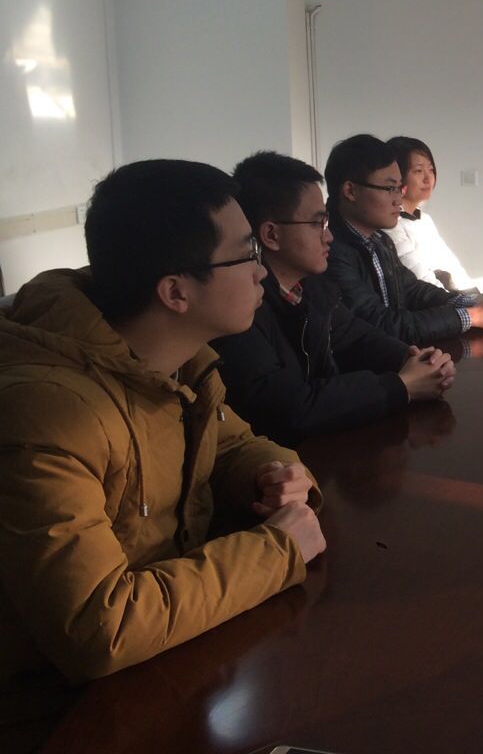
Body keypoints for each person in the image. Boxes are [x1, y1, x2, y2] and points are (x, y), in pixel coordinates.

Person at [0, 160, 326, 727]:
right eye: (246, 254)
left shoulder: (176, 361)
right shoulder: (52, 415)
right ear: (175, 291)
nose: (261, 273)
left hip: (166, 668)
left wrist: (275, 474)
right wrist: (278, 549)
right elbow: (99, 628)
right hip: (62, 714)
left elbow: (234, 444)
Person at [211, 152, 456, 446]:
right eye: (317, 224)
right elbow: (290, 408)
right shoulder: (240, 309)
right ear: (271, 235)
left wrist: (413, 358)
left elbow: (355, 337)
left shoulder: (313, 287)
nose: (328, 237)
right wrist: (401, 386)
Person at [324, 135, 483, 345]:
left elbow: (414, 290)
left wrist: (474, 305)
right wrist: (473, 316)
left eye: (399, 188)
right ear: (350, 191)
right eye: (390, 188)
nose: (398, 199)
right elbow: (382, 324)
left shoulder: (379, 240)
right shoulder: (332, 253)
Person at [385, 136, 477, 294]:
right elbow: (420, 278)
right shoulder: (391, 224)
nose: (428, 179)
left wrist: (475, 295)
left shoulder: (425, 220)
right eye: (418, 171)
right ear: (396, 176)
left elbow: (451, 263)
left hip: (456, 298)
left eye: (431, 169)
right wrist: (467, 304)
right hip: (437, 302)